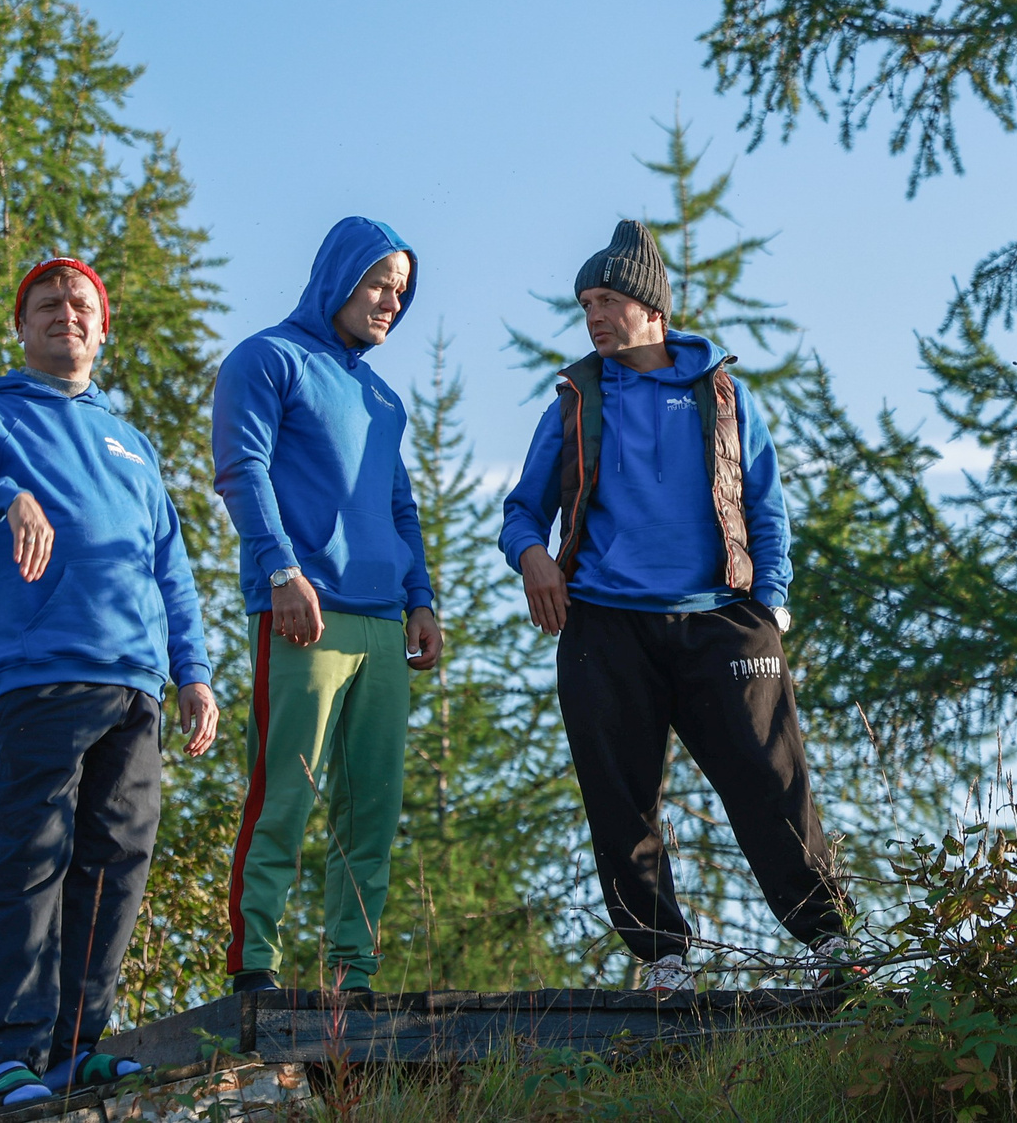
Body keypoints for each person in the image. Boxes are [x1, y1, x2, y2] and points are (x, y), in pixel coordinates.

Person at [0, 257, 220, 1111]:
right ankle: (9, 1052)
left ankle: (75, 1049)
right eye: (46, 303)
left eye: (81, 305)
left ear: (102, 330)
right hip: (42, 678)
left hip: (137, 685)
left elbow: (170, 567)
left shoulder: (131, 443)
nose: (65, 313)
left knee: (116, 865)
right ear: (22, 327)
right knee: (32, 857)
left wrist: (193, 672)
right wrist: (3, 496)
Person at [501, 219, 853, 990]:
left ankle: (830, 944)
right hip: (604, 625)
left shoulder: (722, 395)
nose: (593, 316)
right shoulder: (577, 401)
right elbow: (521, 511)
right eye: (585, 304)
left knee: (772, 782)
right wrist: (533, 557)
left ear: (652, 309)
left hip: (722, 620)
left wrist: (771, 606)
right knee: (620, 798)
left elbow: (766, 508)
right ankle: (662, 961)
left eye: (607, 301)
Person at [215, 216, 442, 993]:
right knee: (283, 795)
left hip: (384, 623)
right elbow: (242, 470)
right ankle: (255, 965)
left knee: (371, 813)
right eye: (378, 284)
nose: (390, 303)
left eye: (401, 291)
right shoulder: (266, 359)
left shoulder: (381, 397)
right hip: (301, 613)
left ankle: (355, 973)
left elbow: (400, 505)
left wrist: (421, 598)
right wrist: (281, 571)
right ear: (339, 277)